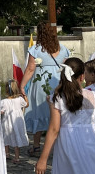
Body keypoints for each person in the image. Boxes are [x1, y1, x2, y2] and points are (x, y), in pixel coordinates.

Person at [19, 22, 70, 156]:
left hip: (41, 84)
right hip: (58, 83)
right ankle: (56, 147)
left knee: (39, 112)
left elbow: (30, 69)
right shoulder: (63, 49)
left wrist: (22, 85)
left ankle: (36, 147)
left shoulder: (36, 50)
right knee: (57, 113)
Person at [0, 79, 28, 164]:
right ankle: (17, 157)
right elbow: (26, 105)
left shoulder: (3, 102)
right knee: (16, 137)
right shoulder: (20, 99)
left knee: (5, 137)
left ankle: (6, 154)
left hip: (7, 123)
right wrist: (24, 96)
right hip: (17, 123)